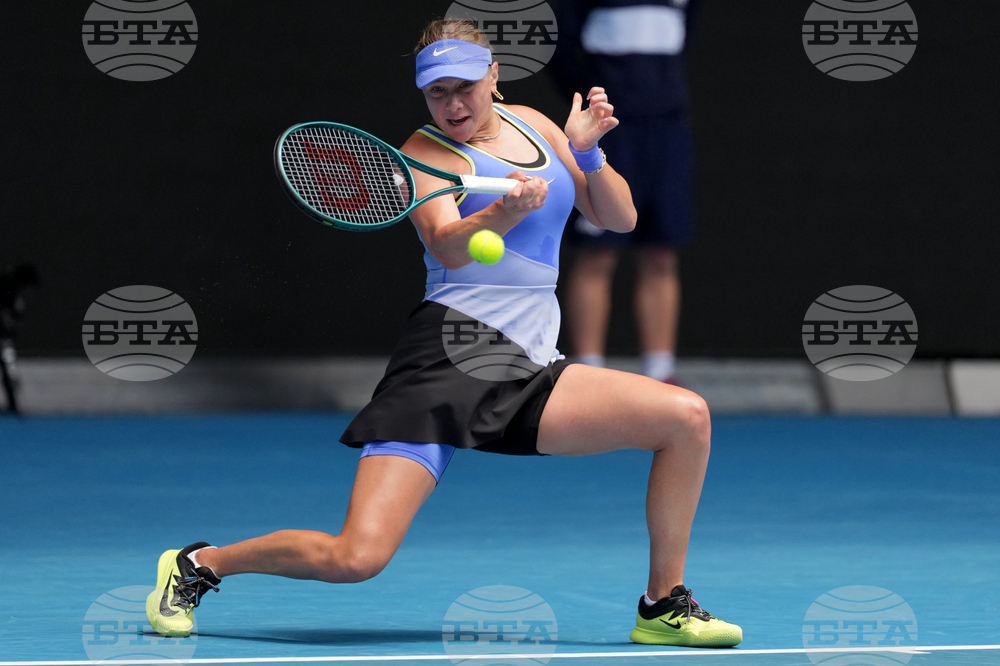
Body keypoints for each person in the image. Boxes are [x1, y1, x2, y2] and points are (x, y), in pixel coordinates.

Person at [145, 19, 741, 648]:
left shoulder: (536, 126)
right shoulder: (423, 154)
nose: (453, 105)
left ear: (494, 77)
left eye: (464, 88)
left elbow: (619, 218)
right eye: (437, 93)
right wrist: (502, 211)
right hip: (448, 357)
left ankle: (662, 604)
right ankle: (200, 563)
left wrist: (587, 152)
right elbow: (447, 245)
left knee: (685, 418)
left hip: (531, 362)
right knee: (356, 557)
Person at [550, 0, 703, 384]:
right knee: (598, 254)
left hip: (667, 131)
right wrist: (600, 99)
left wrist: (657, 92)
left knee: (661, 254)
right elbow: (559, 44)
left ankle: (660, 372)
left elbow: (683, 36)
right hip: (610, 129)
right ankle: (588, 375)